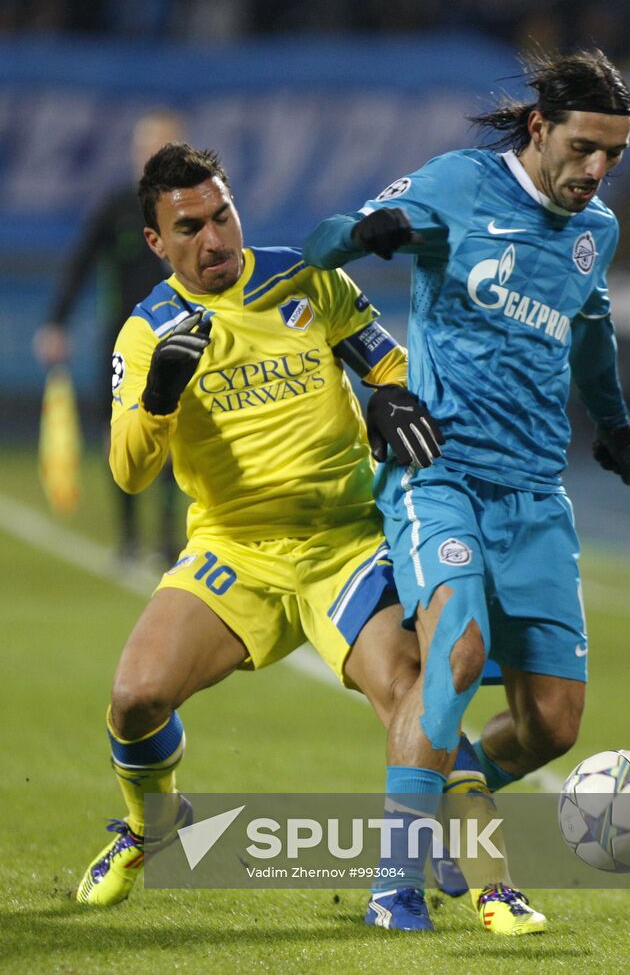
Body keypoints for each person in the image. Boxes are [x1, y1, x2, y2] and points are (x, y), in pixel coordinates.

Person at [303, 48, 630, 932]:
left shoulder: (595, 231)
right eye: (582, 147)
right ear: (539, 128)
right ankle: (394, 886)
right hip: (439, 473)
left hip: (536, 494)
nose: (596, 169)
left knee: (552, 725)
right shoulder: (459, 186)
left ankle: (454, 811)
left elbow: (592, 332)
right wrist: (368, 234)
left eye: (612, 154)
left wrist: (612, 424)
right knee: (454, 655)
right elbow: (322, 244)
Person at [76, 142, 446, 907]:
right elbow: (128, 471)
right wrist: (158, 400)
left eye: (223, 216)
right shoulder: (148, 333)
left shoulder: (306, 277)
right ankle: (153, 823)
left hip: (345, 543)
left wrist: (391, 397)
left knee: (409, 686)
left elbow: (390, 366)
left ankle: (424, 877)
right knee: (136, 698)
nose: (214, 239)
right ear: (156, 242)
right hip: (236, 552)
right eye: (189, 229)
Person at [33, 111, 186, 563]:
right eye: (146, 145)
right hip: (122, 343)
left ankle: (167, 538)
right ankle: (129, 538)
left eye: (162, 145)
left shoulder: (190, 209)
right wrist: (57, 321)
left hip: (177, 339)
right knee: (119, 435)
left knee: (177, 436)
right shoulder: (117, 207)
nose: (151, 154)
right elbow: (80, 263)